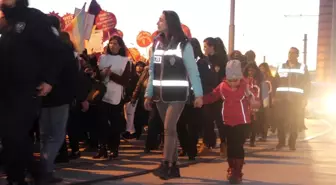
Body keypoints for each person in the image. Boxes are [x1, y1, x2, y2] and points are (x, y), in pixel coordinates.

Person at [0, 0, 73, 184]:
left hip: (26, 90)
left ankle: (39, 173)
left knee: (14, 134)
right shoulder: (4, 22)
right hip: (4, 90)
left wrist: (49, 79)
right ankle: (16, 178)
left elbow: (57, 51)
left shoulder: (34, 18)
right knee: (9, 139)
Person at [144, 10, 203, 180]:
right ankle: (175, 167)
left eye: (160, 20)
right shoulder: (156, 44)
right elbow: (152, 72)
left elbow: (193, 71)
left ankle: (166, 164)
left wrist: (198, 95)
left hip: (177, 94)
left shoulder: (184, 45)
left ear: (169, 22)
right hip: (160, 96)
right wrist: (149, 94)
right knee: (170, 130)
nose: (157, 23)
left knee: (168, 129)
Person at [202, 60, 260, 184]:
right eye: (230, 80)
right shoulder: (222, 86)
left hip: (242, 122)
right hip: (227, 121)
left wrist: (254, 102)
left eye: (236, 80)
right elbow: (213, 96)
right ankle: (232, 168)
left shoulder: (245, 86)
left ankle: (237, 170)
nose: (233, 83)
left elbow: (253, 96)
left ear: (240, 78)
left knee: (237, 146)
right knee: (230, 146)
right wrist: (200, 100)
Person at [273, 47, 311, 150]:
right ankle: (281, 142)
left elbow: (307, 84)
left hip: (296, 100)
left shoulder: (302, 68)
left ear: (297, 55)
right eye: (289, 52)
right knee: (280, 121)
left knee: (294, 122)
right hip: (282, 99)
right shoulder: (281, 66)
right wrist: (274, 97)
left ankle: (292, 142)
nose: (291, 55)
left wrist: (305, 98)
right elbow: (275, 82)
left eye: (293, 53)